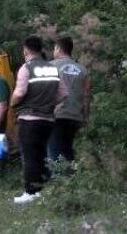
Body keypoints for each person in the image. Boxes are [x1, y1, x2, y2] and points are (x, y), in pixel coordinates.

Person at [10, 36, 67, 204]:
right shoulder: (52, 68)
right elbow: (64, 93)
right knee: (41, 154)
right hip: (48, 119)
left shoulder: (26, 68)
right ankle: (40, 190)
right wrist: (49, 104)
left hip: (29, 118)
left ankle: (30, 192)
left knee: (29, 155)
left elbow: (20, 93)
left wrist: (12, 104)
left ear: (26, 50)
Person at [47, 36, 90, 170]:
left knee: (54, 149)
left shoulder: (50, 66)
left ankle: (58, 183)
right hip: (75, 116)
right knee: (67, 149)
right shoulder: (83, 70)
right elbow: (86, 96)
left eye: (54, 48)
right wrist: (85, 116)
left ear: (58, 49)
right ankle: (71, 181)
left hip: (56, 114)